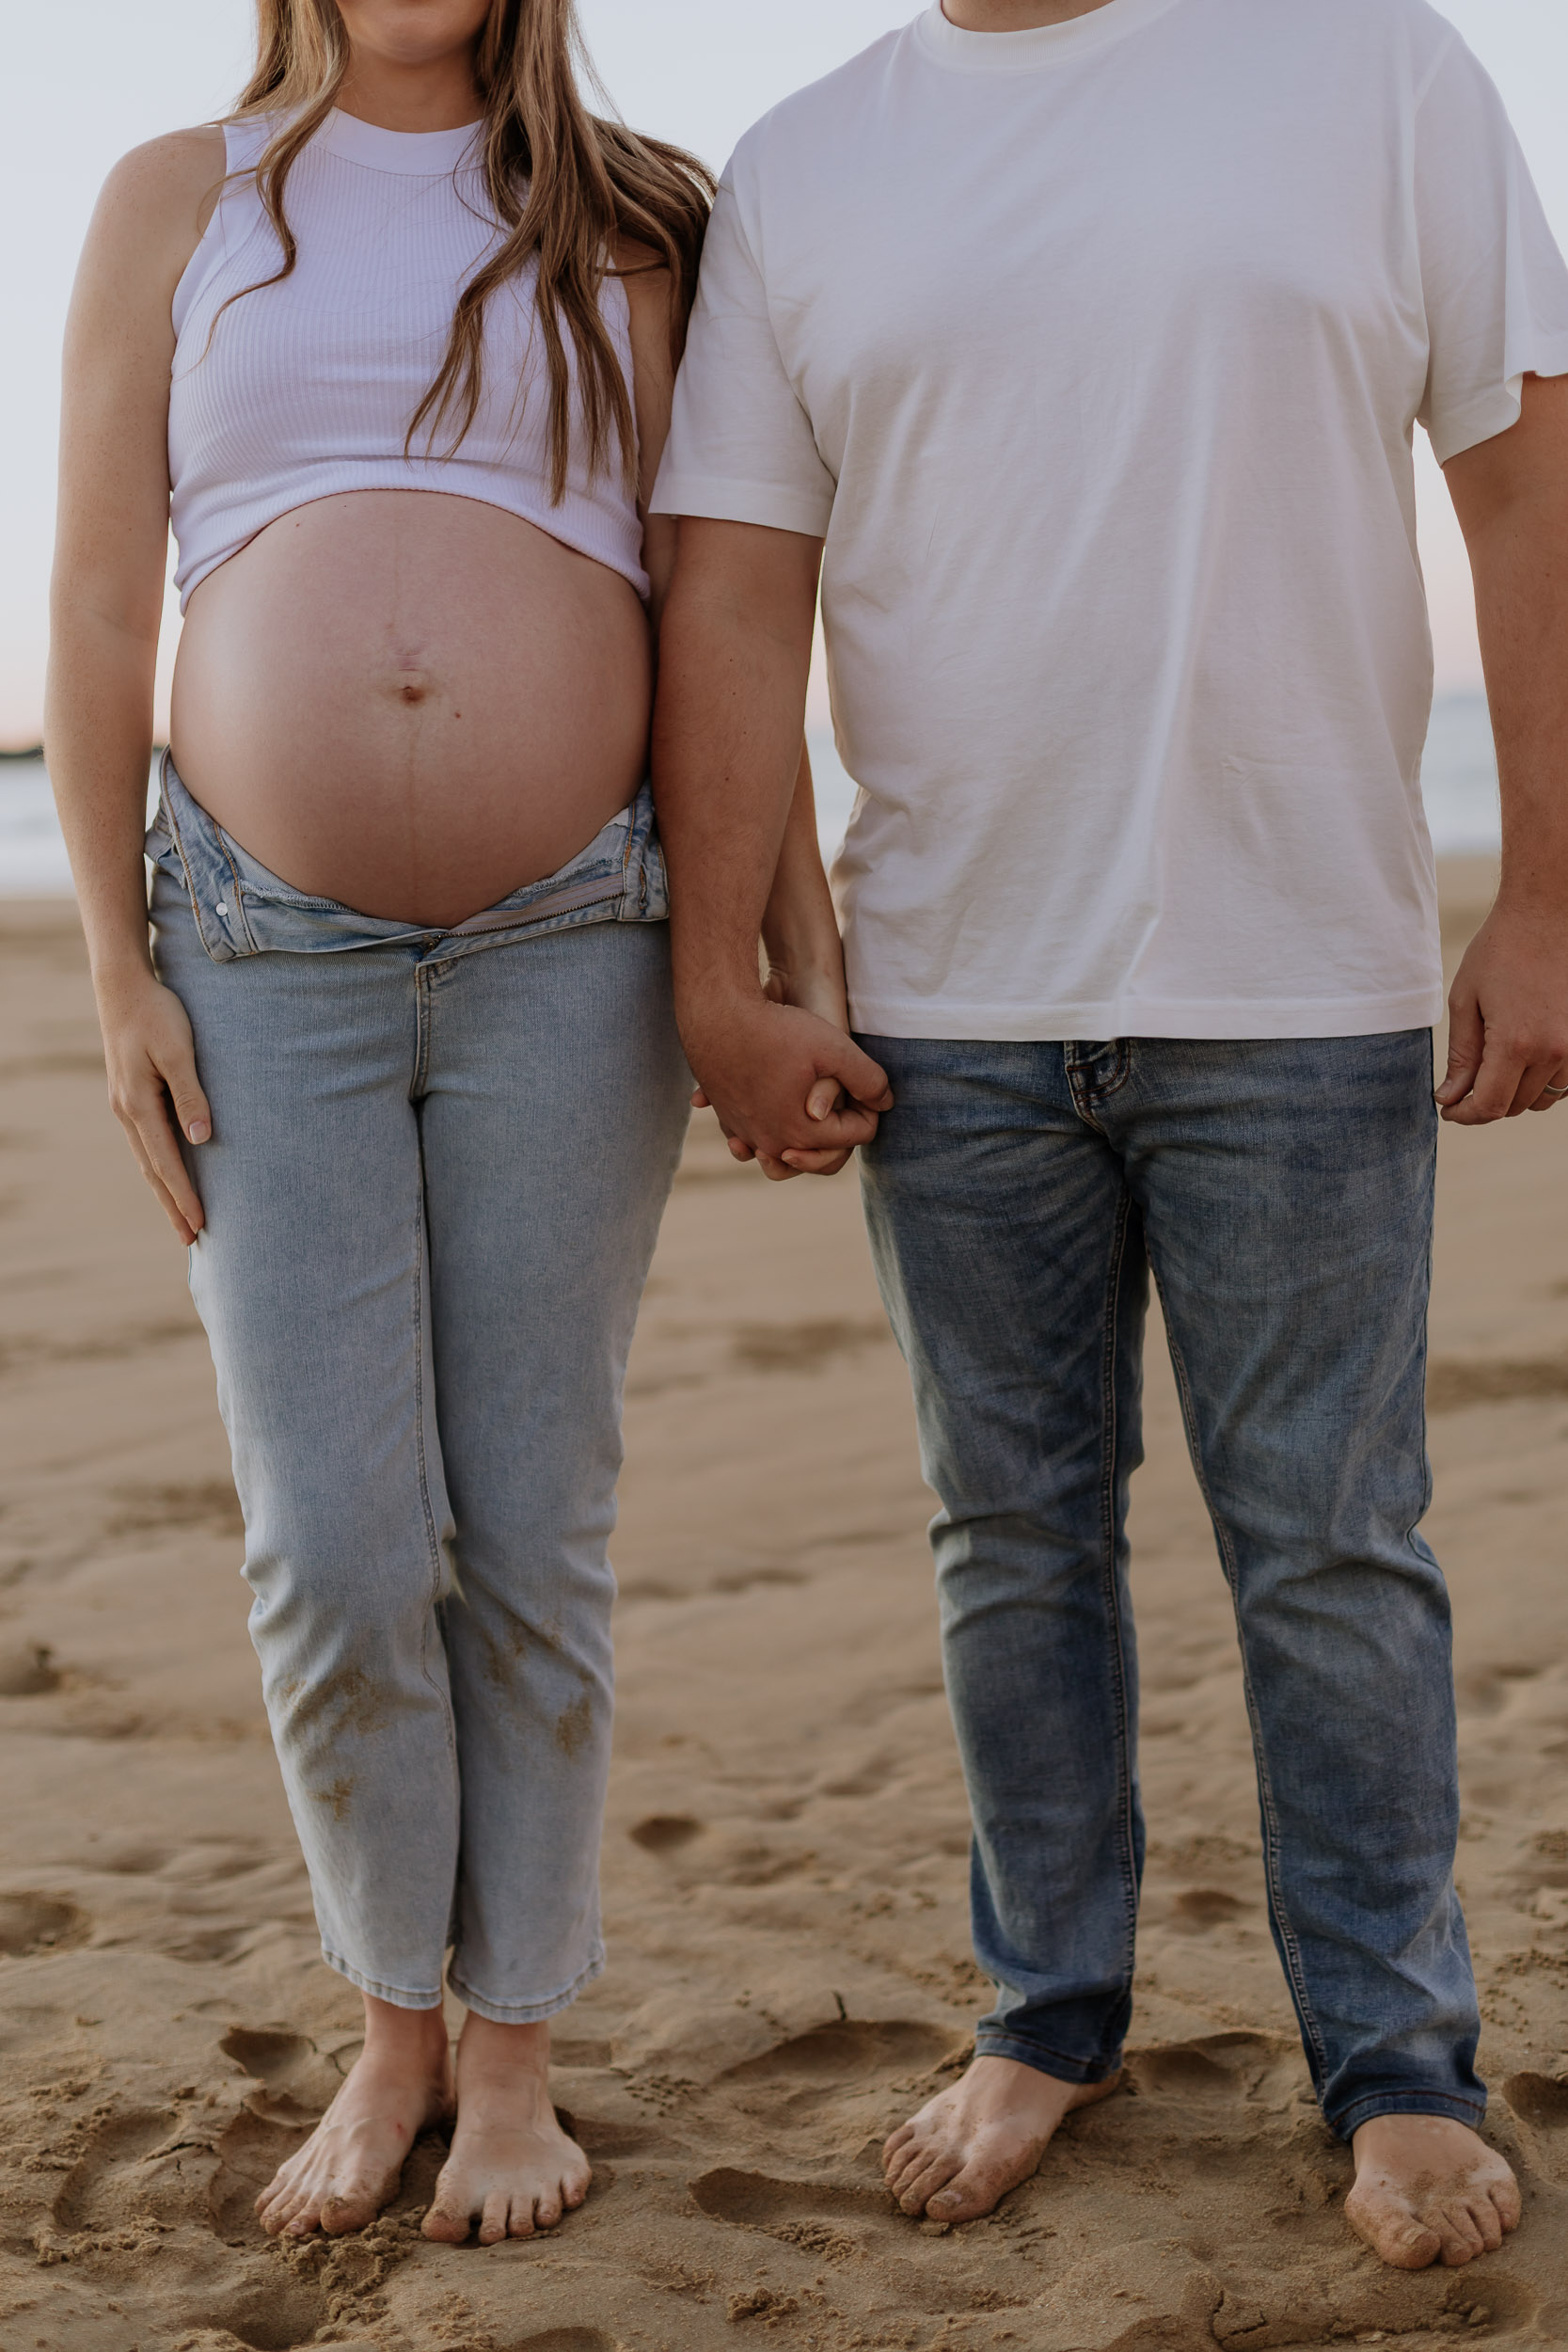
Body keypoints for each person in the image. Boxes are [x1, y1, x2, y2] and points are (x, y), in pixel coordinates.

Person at [650, 0, 1568, 2276]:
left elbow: (1525, 480)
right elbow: (740, 585)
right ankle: (1045, 2010)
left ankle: (1399, 2059)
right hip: (950, 1005)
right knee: (1011, 1542)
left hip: (1304, 983)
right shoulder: (808, 160)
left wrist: (1545, 888)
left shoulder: (1374, 67)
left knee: (1336, 1549)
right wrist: (721, 977)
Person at [46, 0, 847, 2249]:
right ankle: (390, 2017)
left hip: (578, 937)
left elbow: (727, 602)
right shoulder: (176, 199)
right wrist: (115, 967)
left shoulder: (643, 218)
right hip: (251, 945)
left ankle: (512, 2055)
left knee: (532, 1518)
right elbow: (108, 594)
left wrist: (791, 943)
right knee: (328, 1538)